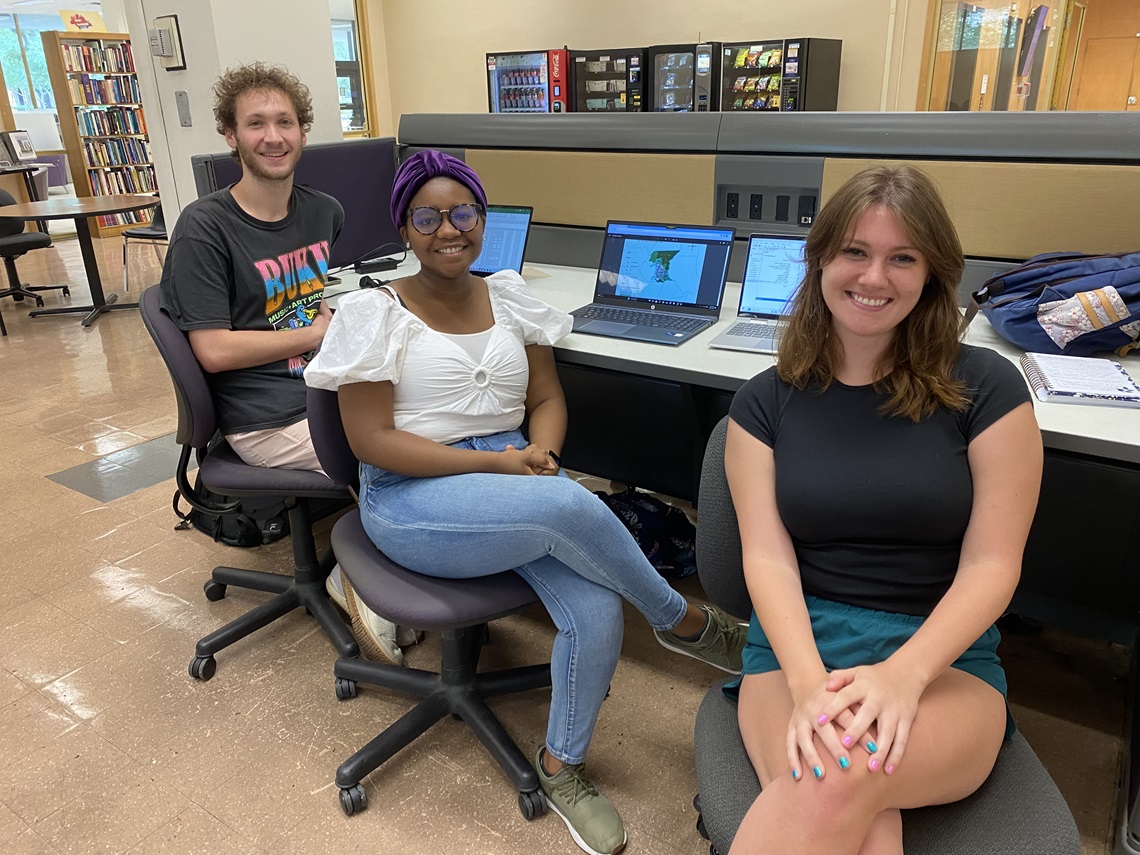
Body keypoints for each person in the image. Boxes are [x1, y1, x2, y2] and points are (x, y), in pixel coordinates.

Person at [305, 149, 747, 855]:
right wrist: (510, 467)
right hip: (409, 497)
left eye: (463, 213)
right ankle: (682, 619)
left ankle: (561, 766)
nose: (448, 230)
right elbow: (371, 442)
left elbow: (545, 397)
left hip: (513, 478)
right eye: (427, 218)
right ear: (405, 228)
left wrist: (539, 451)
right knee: (567, 507)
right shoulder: (373, 311)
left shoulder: (508, 295)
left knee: (596, 608)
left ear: (483, 218)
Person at [722, 164, 1043, 855]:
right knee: (855, 807)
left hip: (941, 658)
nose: (874, 277)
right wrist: (809, 683)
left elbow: (993, 564)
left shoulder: (988, 389)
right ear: (820, 259)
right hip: (795, 650)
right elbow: (767, 557)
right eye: (855, 251)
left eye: (903, 258)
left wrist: (904, 676)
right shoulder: (762, 402)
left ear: (932, 272)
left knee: (839, 780)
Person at [159, 62, 415, 665]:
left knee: (434, 412)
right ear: (231, 135)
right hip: (265, 414)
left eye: (285, 122)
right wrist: (316, 331)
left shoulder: (324, 212)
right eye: (256, 124)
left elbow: (301, 296)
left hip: (323, 385)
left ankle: (410, 561)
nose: (273, 137)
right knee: (399, 455)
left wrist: (335, 317)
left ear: (303, 131)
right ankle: (357, 578)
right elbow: (213, 349)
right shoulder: (206, 227)